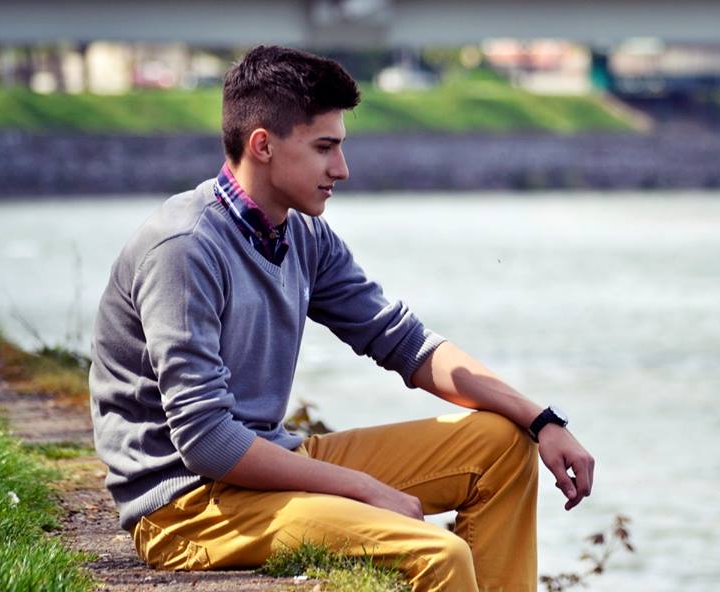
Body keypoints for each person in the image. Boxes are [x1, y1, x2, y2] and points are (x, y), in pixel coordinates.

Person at [88, 45, 595, 592]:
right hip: (189, 509)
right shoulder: (184, 248)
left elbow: (404, 342)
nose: (342, 169)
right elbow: (206, 439)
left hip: (268, 462)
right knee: (438, 554)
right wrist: (362, 488)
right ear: (262, 145)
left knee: (501, 445)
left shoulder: (301, 233)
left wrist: (542, 420)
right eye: (324, 148)